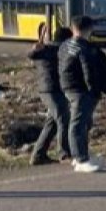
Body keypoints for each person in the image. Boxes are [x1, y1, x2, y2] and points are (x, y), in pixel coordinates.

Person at [59, 16, 106, 173]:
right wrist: (94, 90)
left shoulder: (64, 45)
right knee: (78, 124)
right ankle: (80, 158)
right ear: (89, 30)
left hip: (68, 87)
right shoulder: (84, 48)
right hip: (81, 90)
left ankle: (82, 154)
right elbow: (88, 71)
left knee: (83, 122)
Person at [28, 26, 73, 166]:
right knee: (63, 118)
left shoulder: (52, 49)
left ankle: (38, 155)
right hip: (50, 90)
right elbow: (32, 55)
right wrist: (35, 48)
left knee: (52, 123)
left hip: (54, 90)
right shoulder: (50, 50)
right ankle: (64, 154)